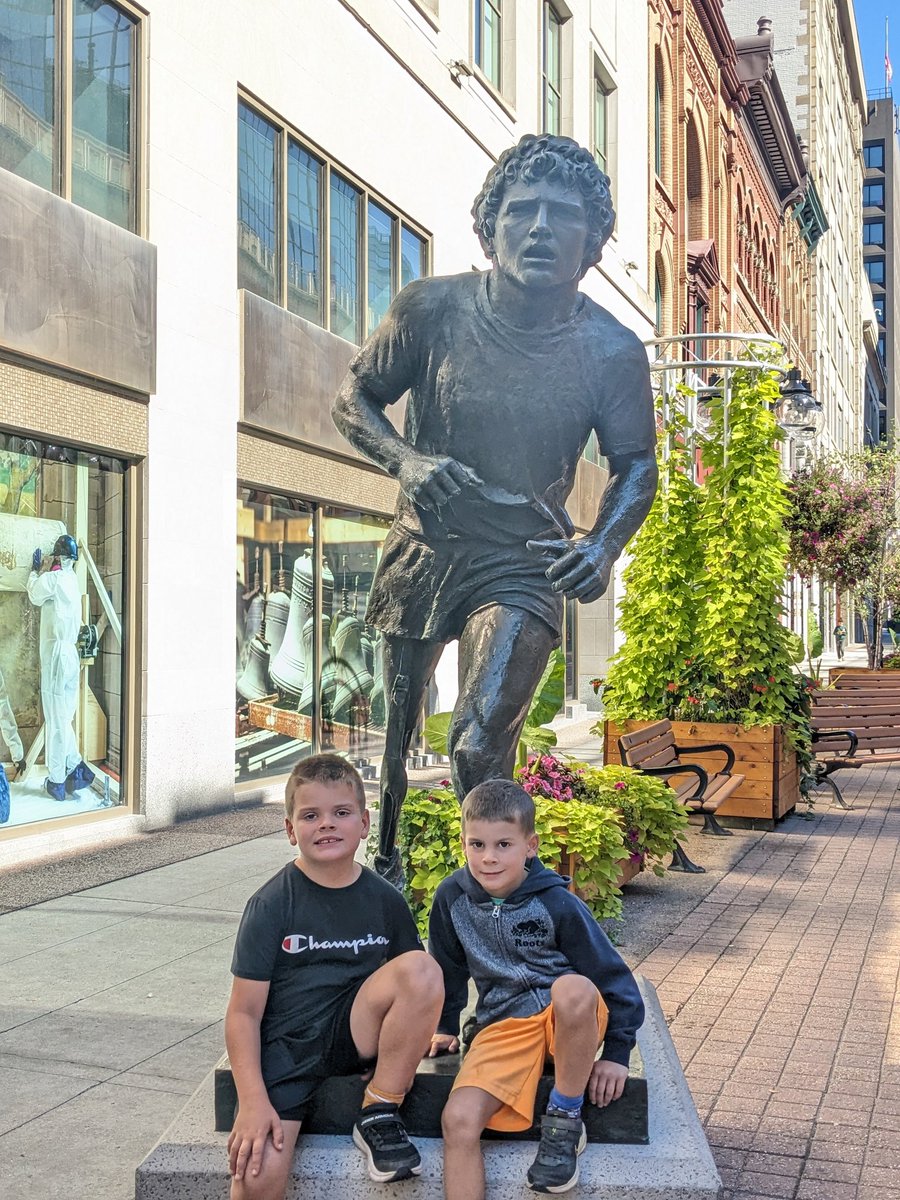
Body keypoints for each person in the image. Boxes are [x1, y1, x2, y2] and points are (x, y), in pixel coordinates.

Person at [333, 134, 658, 882]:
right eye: (523, 211)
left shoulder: (611, 351)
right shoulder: (432, 309)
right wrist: (406, 463)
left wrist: (602, 547)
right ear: (489, 229)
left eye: (564, 215)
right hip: (426, 540)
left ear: (593, 243)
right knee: (397, 729)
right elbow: (353, 398)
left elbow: (637, 466)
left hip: (524, 559)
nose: (541, 227)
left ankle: (490, 907)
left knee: (480, 740)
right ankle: (384, 881)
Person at [225, 753, 444, 1198]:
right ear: (291, 830)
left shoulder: (385, 901)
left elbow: (414, 986)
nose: (327, 824)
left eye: (341, 813)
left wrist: (422, 1035)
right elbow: (243, 1013)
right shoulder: (271, 905)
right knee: (255, 1176)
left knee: (422, 967)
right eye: (311, 815)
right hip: (288, 1049)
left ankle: (379, 1112)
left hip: (353, 1033)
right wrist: (251, 1100)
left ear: (364, 823)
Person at [428, 779, 645, 1197]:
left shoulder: (556, 902)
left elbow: (611, 976)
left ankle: (564, 1120)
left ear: (530, 845)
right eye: (477, 845)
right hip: (503, 1029)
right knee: (457, 1121)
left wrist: (617, 1053)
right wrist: (445, 1024)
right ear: (463, 842)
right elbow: (447, 966)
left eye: (503, 845)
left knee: (573, 988)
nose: (488, 858)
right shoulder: (452, 897)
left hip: (564, 1021)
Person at [26, 534, 94, 802]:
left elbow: (34, 594)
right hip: (70, 656)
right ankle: (74, 769)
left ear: (58, 557)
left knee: (55, 721)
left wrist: (34, 570)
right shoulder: (71, 581)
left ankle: (57, 780)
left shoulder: (53, 580)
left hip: (56, 657)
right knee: (64, 717)